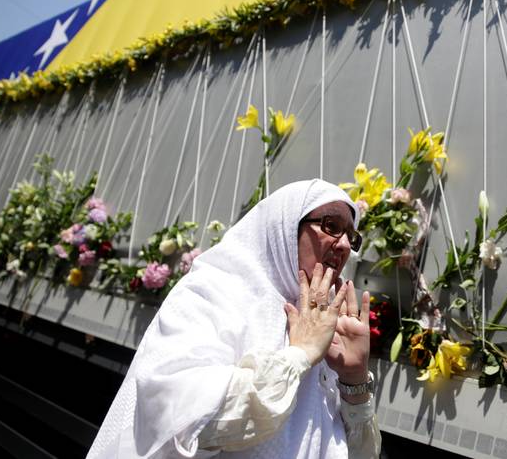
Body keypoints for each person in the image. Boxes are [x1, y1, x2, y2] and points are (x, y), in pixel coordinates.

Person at [88, 179, 381, 458]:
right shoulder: (215, 291)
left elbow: (357, 453)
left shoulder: (323, 318)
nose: (343, 245)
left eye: (351, 237)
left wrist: (353, 381)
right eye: (331, 226)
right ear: (286, 226)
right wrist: (299, 356)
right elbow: (181, 422)